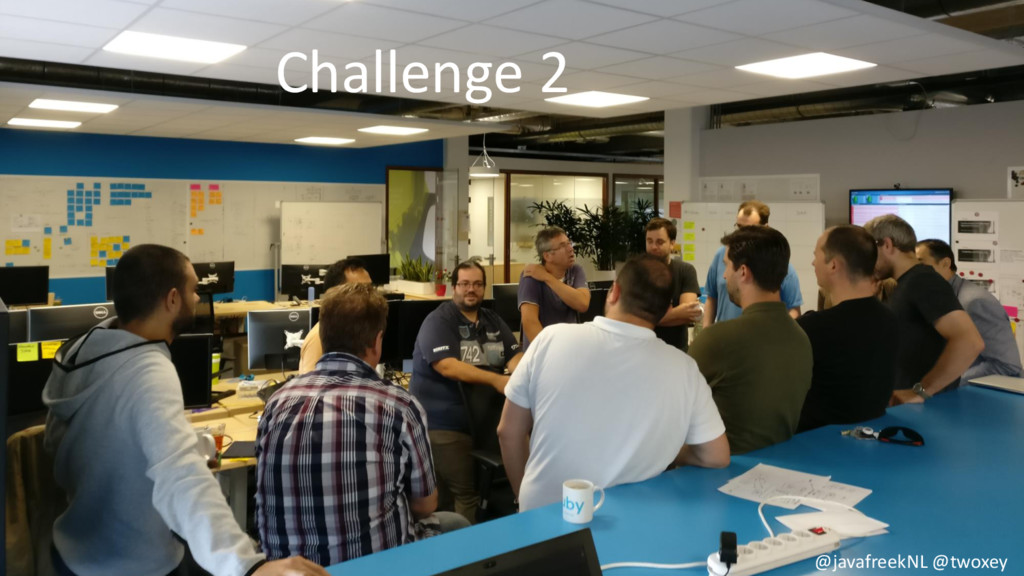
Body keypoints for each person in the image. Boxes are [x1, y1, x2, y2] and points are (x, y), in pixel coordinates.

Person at [42, 244, 326, 576]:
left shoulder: (82, 348)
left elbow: (67, 442)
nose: (197, 298)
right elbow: (182, 478)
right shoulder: (148, 372)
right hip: (132, 563)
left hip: (73, 549)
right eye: (193, 290)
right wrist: (247, 566)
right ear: (173, 299)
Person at [256, 283, 468, 566]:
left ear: (322, 335)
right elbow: (425, 505)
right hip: (374, 567)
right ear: (377, 341)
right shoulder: (399, 406)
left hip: (287, 569)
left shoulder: (277, 402)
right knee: (456, 524)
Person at [498, 255, 729, 511]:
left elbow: (508, 431)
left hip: (545, 516)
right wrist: (669, 448)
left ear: (614, 291)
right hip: (631, 523)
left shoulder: (551, 338)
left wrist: (524, 499)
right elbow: (716, 456)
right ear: (666, 310)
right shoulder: (684, 368)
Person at [409, 260, 523, 523]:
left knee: (488, 491)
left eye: (478, 284)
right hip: (445, 425)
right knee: (467, 494)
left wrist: (521, 373)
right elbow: (447, 366)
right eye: (465, 284)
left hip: (485, 423)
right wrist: (497, 381)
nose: (471, 289)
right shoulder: (438, 321)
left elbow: (514, 355)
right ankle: (465, 545)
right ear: (454, 287)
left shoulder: (492, 320)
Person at [689, 226, 812, 455]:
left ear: (743, 272)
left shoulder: (718, 340)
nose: (724, 275)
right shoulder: (801, 338)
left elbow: (675, 409)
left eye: (727, 266)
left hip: (721, 467)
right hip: (779, 461)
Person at [864, 215, 984, 404]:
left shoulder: (923, 281)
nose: (867, 261)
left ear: (887, 245)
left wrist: (922, 391)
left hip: (927, 412)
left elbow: (970, 341)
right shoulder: (905, 284)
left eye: (870, 252)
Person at [796, 226, 899, 432]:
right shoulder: (890, 320)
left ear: (833, 265)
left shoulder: (813, 328)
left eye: (816, 255)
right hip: (871, 434)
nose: (813, 263)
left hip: (816, 440)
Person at [916, 238, 1021, 385]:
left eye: (921, 264)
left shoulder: (974, 302)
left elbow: (1006, 365)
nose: (915, 272)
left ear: (945, 263)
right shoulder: (941, 297)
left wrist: (945, 382)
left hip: (977, 396)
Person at [703, 200, 802, 327]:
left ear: (765, 228)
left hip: (762, 337)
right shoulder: (722, 256)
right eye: (739, 227)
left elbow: (793, 311)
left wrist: (777, 335)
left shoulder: (779, 264)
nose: (741, 234)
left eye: (749, 229)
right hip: (724, 336)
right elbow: (711, 298)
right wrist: (706, 332)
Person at [517, 226, 590, 349]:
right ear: (547, 256)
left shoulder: (575, 271)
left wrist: (547, 277)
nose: (570, 249)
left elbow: (582, 303)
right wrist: (551, 351)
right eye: (563, 246)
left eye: (569, 243)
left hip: (571, 347)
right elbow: (529, 322)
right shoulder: (530, 276)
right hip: (542, 350)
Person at [299, 257, 373, 373]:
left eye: (371, 289)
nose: (371, 296)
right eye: (359, 290)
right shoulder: (320, 338)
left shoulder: (363, 330)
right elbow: (311, 382)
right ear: (336, 295)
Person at [644, 217, 702, 351]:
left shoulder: (685, 270)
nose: (653, 247)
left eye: (660, 242)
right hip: (644, 350)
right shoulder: (637, 272)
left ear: (672, 244)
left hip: (677, 350)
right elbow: (633, 316)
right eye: (649, 241)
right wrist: (677, 313)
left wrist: (649, 319)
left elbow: (689, 314)